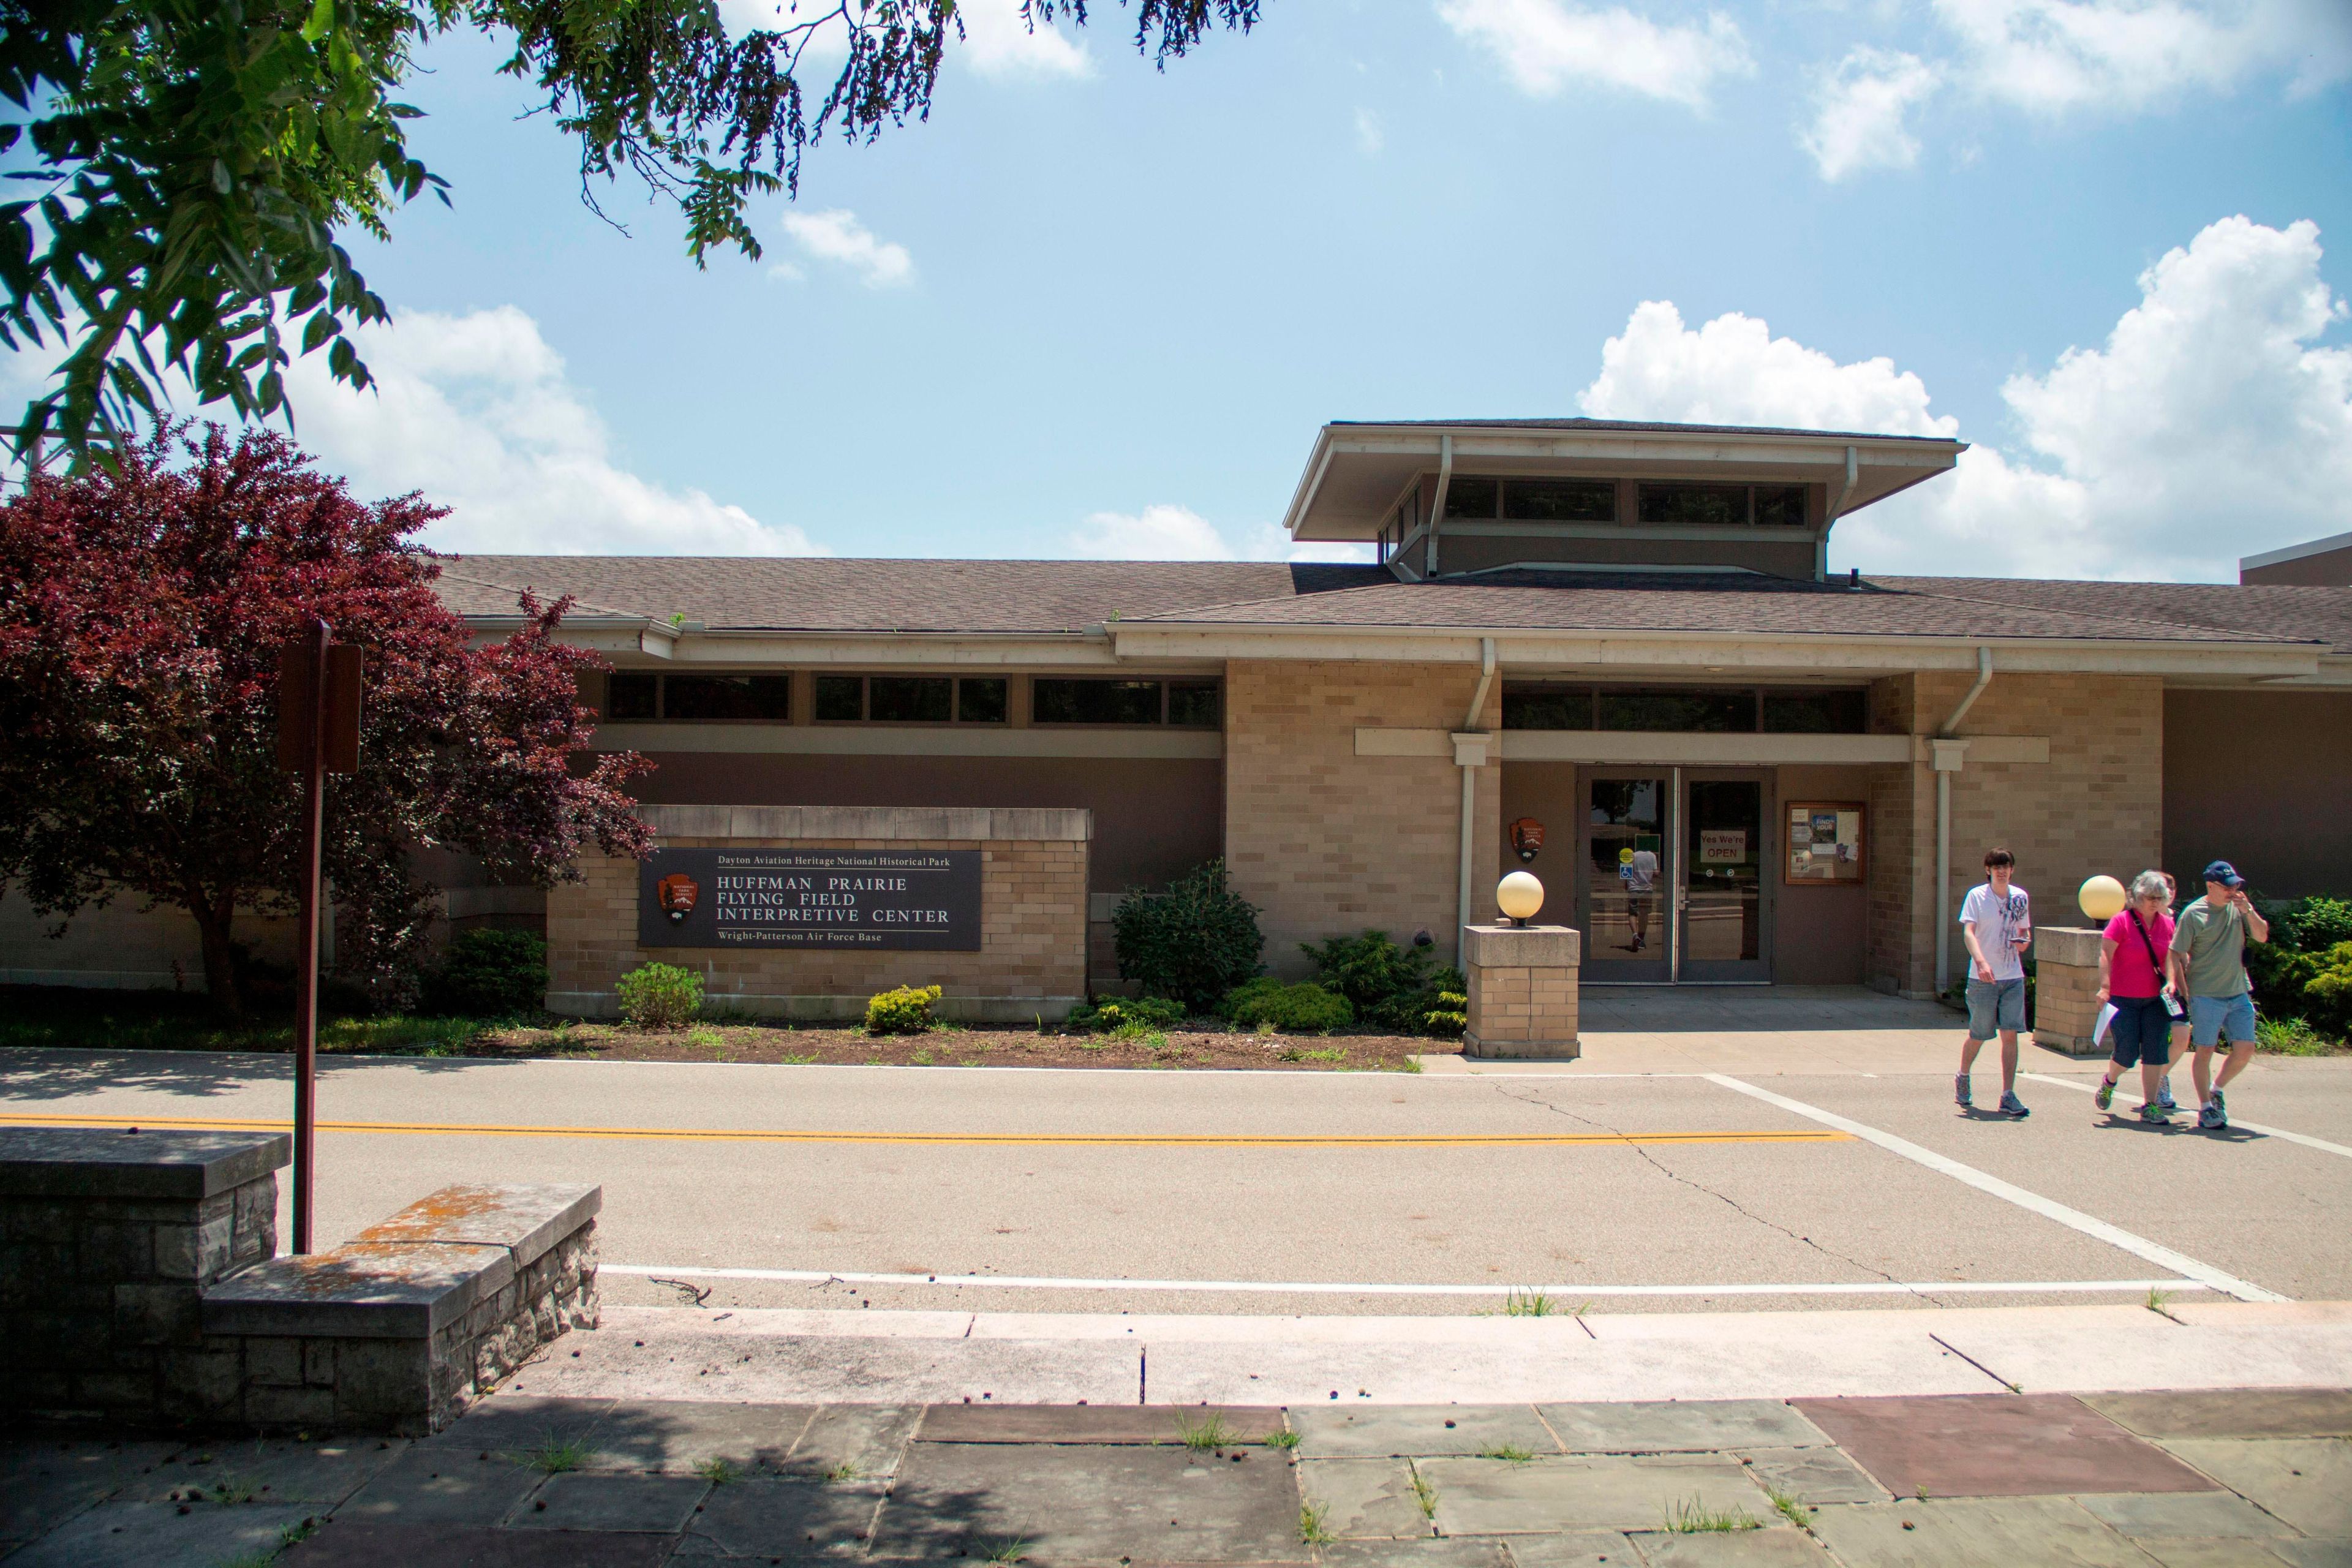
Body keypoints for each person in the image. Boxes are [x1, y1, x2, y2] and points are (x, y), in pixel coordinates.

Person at [2171, 859, 2269, 1130]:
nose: (2232, 890)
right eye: (2227, 887)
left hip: (2238, 992)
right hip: (2206, 995)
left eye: (2235, 885)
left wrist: (2248, 910)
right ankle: (2205, 1108)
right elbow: (2176, 950)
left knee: (2245, 1049)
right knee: (2205, 1050)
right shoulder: (2194, 914)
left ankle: (2217, 1089)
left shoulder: (2239, 909)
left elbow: (2261, 937)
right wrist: (2181, 987)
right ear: (2211, 886)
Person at [2093, 870, 2177, 1123]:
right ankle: (2110, 1081)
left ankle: (2150, 1104)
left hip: (2156, 999)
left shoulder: (2167, 923)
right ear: (2137, 897)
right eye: (2149, 896)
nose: (2154, 902)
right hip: (2124, 998)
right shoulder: (2121, 921)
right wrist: (2105, 987)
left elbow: (2171, 956)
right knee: (2126, 1053)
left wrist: (2172, 981)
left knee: (2156, 1052)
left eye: (2159, 897)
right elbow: (2105, 954)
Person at [1956, 847, 2032, 1117]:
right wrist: (1981, 962)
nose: (2002, 871)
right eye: (1996, 867)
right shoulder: (1977, 896)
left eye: (2006, 867)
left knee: (2010, 1034)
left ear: (2012, 869)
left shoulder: (2020, 897)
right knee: (1979, 1034)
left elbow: (2024, 934)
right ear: (1988, 870)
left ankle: (2008, 1094)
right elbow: (1969, 932)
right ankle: (1963, 1076)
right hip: (1983, 978)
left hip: (2012, 976)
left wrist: (2024, 942)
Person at [1622, 843, 1659, 952]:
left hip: (1633, 888)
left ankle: (1635, 934)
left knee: (1633, 913)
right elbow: (1656, 873)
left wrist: (1626, 884)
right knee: (1644, 914)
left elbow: (1627, 872)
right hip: (1647, 889)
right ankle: (1642, 939)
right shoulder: (1652, 856)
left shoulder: (1633, 856)